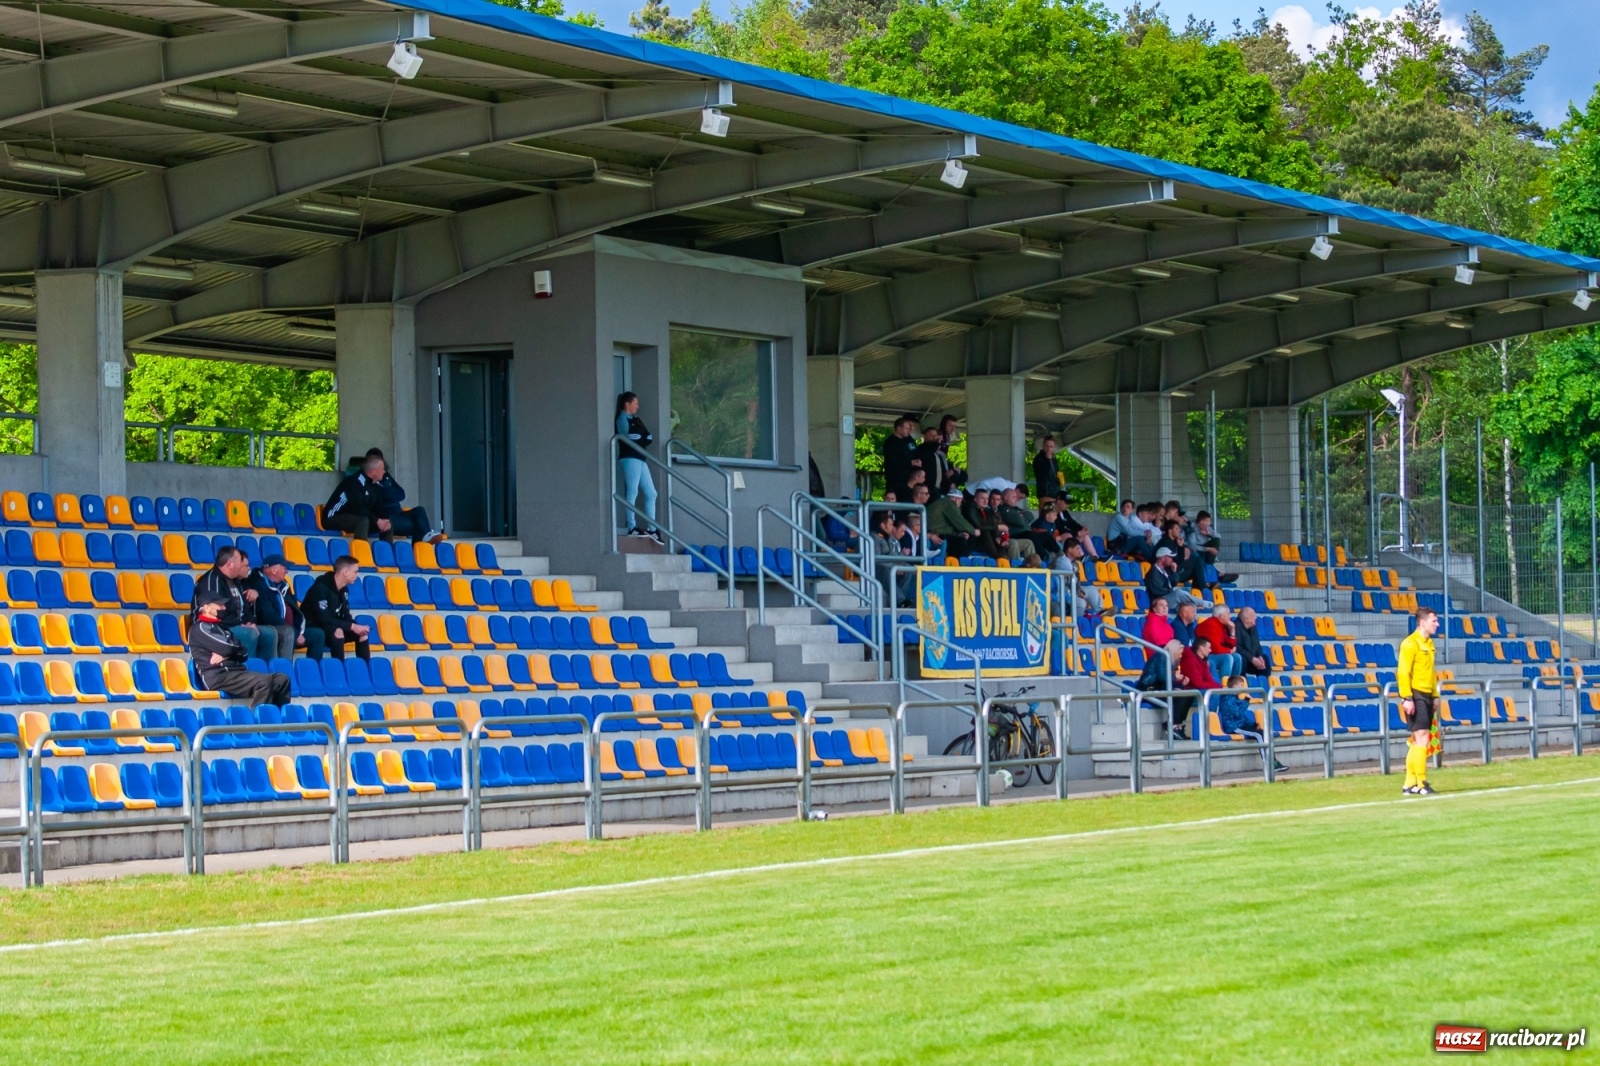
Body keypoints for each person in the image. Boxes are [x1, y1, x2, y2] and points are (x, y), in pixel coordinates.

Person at [190, 598, 291, 708]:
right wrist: (230, 652)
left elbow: (244, 653)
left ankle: (276, 716)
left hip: (236, 672)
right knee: (264, 682)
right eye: (220, 605)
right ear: (207, 608)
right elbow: (229, 648)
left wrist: (227, 654)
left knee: (282, 679)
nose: (224, 608)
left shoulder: (222, 627)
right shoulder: (200, 628)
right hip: (218, 675)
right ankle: (258, 718)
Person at [191, 545, 272, 660]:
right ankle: (246, 668)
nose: (241, 565)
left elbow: (244, 608)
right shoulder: (211, 582)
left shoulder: (235, 581)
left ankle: (264, 668)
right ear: (230, 564)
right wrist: (241, 625)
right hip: (213, 628)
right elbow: (216, 615)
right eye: (239, 562)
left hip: (235, 625)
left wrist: (249, 622)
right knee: (249, 634)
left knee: (269, 634)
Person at [1398, 607, 1441, 795]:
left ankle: (1409, 783)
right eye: (1434, 621)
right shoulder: (1410, 644)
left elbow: (1431, 672)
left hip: (1427, 694)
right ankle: (1421, 782)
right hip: (1415, 695)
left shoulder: (1429, 643)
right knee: (1421, 737)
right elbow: (1403, 672)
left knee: (1418, 740)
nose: (1437, 624)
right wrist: (1406, 697)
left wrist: (1435, 694)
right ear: (1423, 623)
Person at [362, 448, 445, 544]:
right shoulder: (366, 481)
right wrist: (387, 492)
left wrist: (387, 490)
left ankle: (426, 535)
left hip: (398, 512)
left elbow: (401, 494)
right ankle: (419, 546)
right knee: (416, 526)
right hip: (385, 516)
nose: (383, 469)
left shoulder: (386, 476)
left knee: (419, 510)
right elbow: (376, 501)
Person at [246, 553, 321, 661]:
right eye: (284, 568)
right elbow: (268, 615)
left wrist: (299, 630)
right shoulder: (258, 584)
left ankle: (314, 669)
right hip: (273, 626)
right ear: (274, 570)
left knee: (318, 635)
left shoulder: (284, 584)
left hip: (291, 628)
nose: (287, 571)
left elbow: (295, 609)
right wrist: (295, 631)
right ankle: (284, 668)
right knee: (288, 632)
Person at [615, 391, 664, 543]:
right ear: (627, 404)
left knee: (652, 493)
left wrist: (640, 437)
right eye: (635, 403)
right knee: (633, 491)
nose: (638, 406)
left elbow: (648, 437)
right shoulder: (622, 418)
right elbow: (629, 438)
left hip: (641, 458)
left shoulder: (637, 420)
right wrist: (640, 437)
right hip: (629, 458)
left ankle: (652, 529)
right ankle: (631, 527)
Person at [303, 556, 371, 662]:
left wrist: (358, 627)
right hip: (315, 628)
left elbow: (346, 615)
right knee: (338, 631)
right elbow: (324, 619)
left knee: (362, 634)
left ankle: (366, 669)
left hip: (331, 626)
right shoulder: (320, 589)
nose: (357, 575)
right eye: (355, 572)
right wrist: (352, 626)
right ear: (345, 572)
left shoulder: (344, 590)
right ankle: (339, 668)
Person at [1216, 675, 1287, 773]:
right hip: (1233, 727)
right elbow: (1238, 713)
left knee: (1263, 732)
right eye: (1241, 685)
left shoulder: (1235, 698)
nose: (1243, 688)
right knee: (1259, 734)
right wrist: (1246, 701)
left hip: (1239, 725)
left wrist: (1253, 724)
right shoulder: (1228, 699)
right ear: (1234, 686)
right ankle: (1269, 764)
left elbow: (1242, 717)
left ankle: (1274, 762)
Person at [322, 454, 388, 541]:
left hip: (354, 517)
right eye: (382, 469)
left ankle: (385, 549)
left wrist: (384, 520)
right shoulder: (353, 482)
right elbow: (358, 508)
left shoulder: (375, 485)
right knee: (363, 521)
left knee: (387, 524)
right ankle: (361, 549)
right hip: (333, 517)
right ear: (373, 471)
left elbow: (377, 507)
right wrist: (377, 521)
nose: (384, 472)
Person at [1145, 546, 1201, 610]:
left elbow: (1175, 582)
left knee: (1186, 601)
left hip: (1167, 598)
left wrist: (1174, 571)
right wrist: (1172, 591)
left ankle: (1196, 607)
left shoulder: (1166, 570)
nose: (1171, 559)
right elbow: (1158, 591)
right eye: (1169, 557)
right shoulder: (1153, 572)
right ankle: (1204, 603)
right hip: (1158, 600)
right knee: (1178, 593)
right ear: (1162, 558)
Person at [927, 488, 979, 556]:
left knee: (966, 539)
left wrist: (958, 534)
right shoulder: (948, 503)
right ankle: (953, 560)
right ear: (957, 499)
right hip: (933, 533)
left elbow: (946, 527)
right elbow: (959, 522)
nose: (960, 503)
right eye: (960, 501)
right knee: (963, 542)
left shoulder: (942, 502)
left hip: (938, 532)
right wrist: (973, 531)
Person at [1196, 604, 1243, 680]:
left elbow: (1231, 644)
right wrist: (1230, 651)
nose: (1230, 616)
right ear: (1221, 616)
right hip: (1205, 655)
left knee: (1237, 657)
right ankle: (1222, 684)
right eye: (1228, 614)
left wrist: (1232, 630)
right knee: (1228, 658)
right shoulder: (1210, 625)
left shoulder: (1222, 625)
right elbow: (1215, 648)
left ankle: (1234, 683)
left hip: (1215, 654)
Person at [882, 415, 921, 502]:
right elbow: (892, 461)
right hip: (896, 479)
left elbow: (915, 453)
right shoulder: (890, 442)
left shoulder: (909, 440)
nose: (909, 430)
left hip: (909, 479)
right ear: (899, 428)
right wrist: (910, 462)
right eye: (906, 428)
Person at [913, 426, 948, 500]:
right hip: (927, 489)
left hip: (939, 488)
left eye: (935, 435)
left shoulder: (937, 453)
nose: (934, 437)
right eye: (931, 435)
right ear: (925, 436)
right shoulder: (920, 450)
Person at [1235, 605, 1270, 679]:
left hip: (1252, 659)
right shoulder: (1235, 627)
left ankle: (1264, 683)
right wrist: (1252, 659)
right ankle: (1242, 682)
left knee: (1265, 659)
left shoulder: (1253, 628)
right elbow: (1238, 648)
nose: (1255, 618)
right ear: (1246, 620)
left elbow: (1257, 645)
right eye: (1253, 616)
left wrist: (1260, 657)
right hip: (1244, 660)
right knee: (1242, 659)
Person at [1032, 436, 1062, 505]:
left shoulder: (1054, 460)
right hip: (1045, 492)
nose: (1049, 449)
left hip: (1055, 492)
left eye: (1051, 447)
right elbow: (1042, 474)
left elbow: (1056, 473)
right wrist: (1047, 460)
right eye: (1047, 446)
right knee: (1046, 510)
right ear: (1043, 446)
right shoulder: (1039, 459)